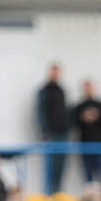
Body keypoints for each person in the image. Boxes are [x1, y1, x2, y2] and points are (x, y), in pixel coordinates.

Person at [37, 63, 70, 193]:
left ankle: (58, 191)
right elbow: (40, 112)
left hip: (63, 133)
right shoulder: (44, 91)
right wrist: (44, 131)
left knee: (61, 166)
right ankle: (50, 192)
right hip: (52, 134)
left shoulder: (61, 90)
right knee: (52, 165)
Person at [72, 79, 101, 187]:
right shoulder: (79, 107)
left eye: (89, 87)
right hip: (86, 147)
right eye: (85, 87)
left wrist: (97, 116)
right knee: (88, 176)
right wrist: (83, 118)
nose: (87, 90)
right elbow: (74, 124)